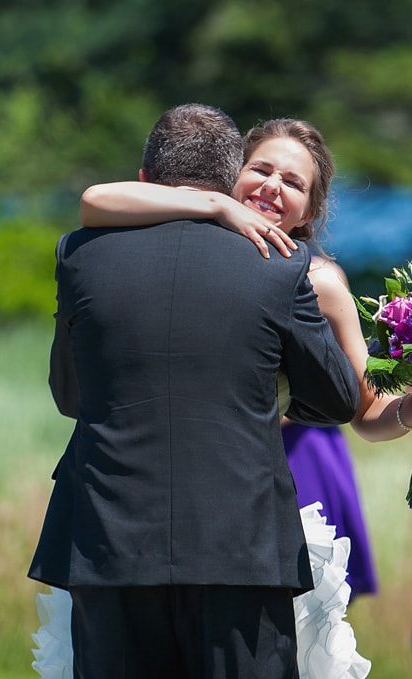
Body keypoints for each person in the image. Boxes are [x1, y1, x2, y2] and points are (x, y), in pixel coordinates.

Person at [27, 103, 362, 679]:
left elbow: (69, 395)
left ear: (144, 182)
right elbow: (337, 400)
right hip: (241, 544)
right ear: (230, 177)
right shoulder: (279, 266)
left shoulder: (79, 255)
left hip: (108, 539)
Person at [77, 117, 412, 597]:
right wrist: (216, 206)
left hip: (264, 488)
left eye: (293, 183)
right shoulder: (185, 246)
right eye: (260, 169)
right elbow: (95, 200)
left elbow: (364, 411)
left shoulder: (321, 280)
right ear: (232, 175)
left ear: (308, 211)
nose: (271, 187)